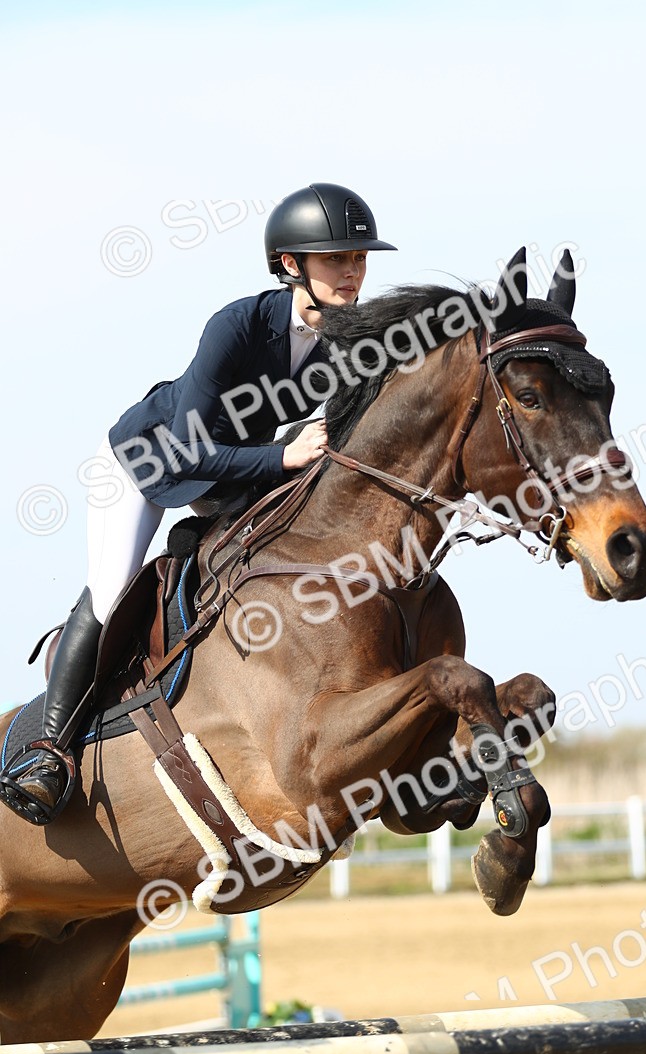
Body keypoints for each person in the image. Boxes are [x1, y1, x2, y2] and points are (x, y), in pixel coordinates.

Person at [0, 182, 396, 824]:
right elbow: (187, 451)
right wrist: (284, 455)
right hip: (147, 461)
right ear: (292, 265)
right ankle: (48, 749)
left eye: (358, 259)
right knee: (111, 589)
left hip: (235, 474)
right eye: (336, 259)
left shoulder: (347, 342)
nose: (352, 273)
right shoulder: (237, 325)